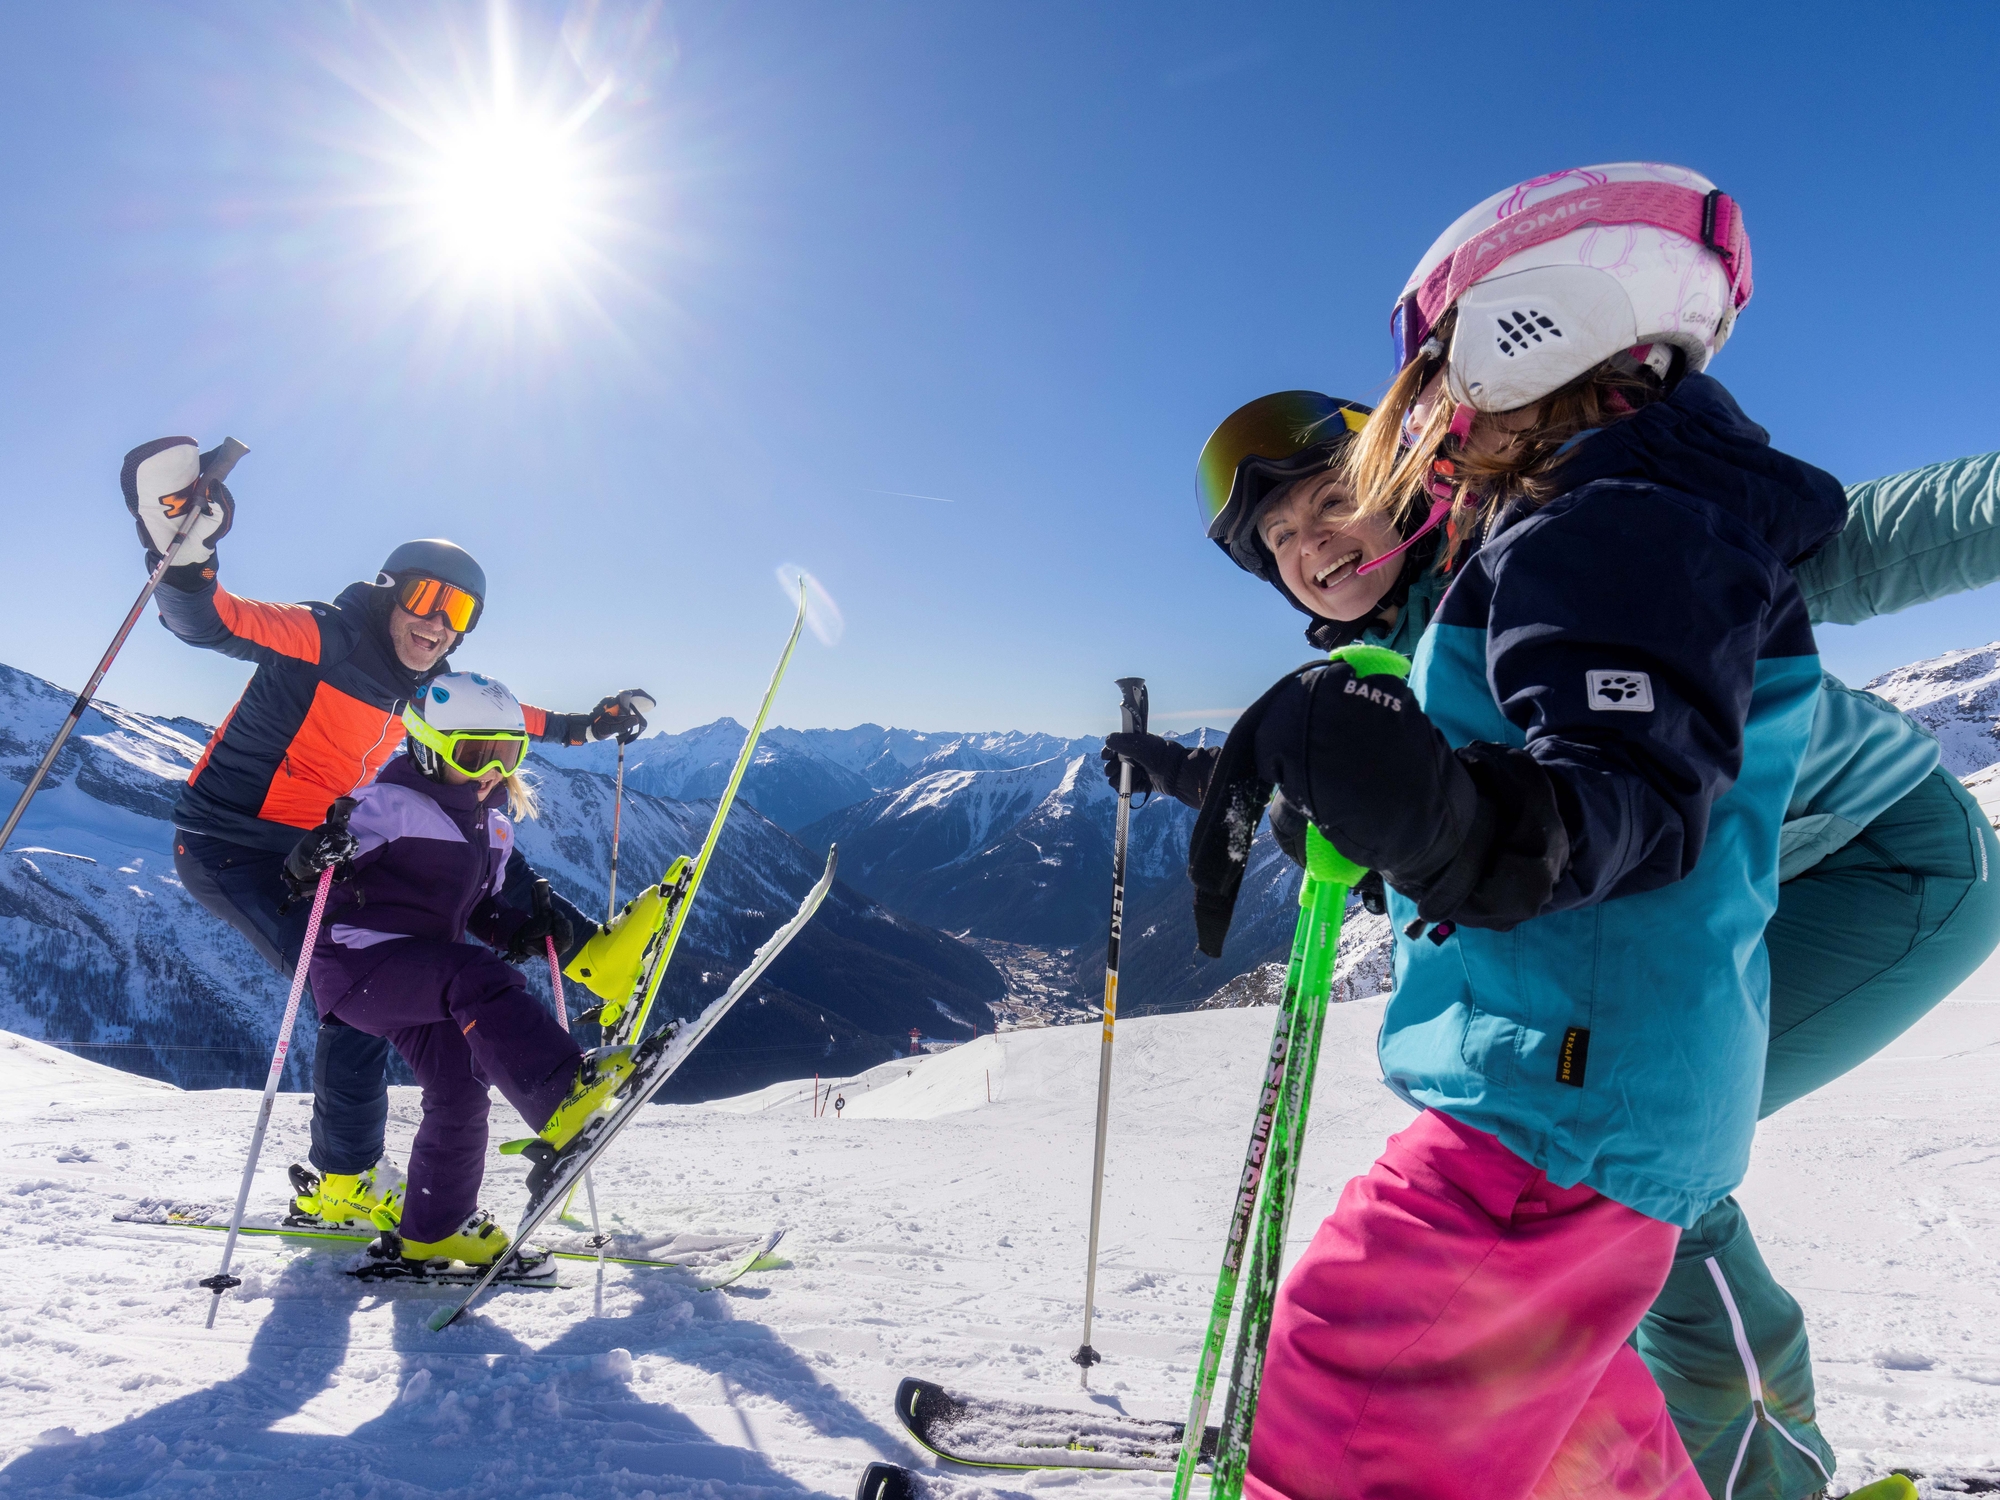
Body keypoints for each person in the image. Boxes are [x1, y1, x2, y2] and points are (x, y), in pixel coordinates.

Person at [1113, 206, 2000, 1500]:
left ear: (1406, 464)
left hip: (1882, 861)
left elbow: (1854, 537)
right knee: (1601, 1181)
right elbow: (1408, 804)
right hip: (1672, 883)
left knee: (1631, 1179)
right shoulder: (1418, 639)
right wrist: (1192, 774)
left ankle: (1769, 1481)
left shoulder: (1585, 527)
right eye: (1284, 546)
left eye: (1327, 502)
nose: (1314, 548)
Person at [122, 435, 650, 1229]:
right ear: (390, 592)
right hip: (234, 847)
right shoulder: (328, 635)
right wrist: (188, 560)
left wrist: (588, 725)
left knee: (459, 852)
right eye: (427, 598)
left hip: (331, 844)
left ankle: (592, 957)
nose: (437, 621)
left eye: (458, 611)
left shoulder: (426, 682)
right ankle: (342, 1182)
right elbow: (211, 624)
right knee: (351, 992)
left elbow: (507, 719)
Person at [285, 671, 637, 1267]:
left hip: (424, 978)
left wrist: (520, 931)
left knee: (460, 1088)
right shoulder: (384, 806)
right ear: (427, 748)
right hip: (358, 969)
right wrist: (309, 860)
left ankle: (435, 1228)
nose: (492, 771)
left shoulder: (492, 827)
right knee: (477, 974)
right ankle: (563, 1094)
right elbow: (316, 868)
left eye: (508, 754)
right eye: (474, 754)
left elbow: (480, 910)